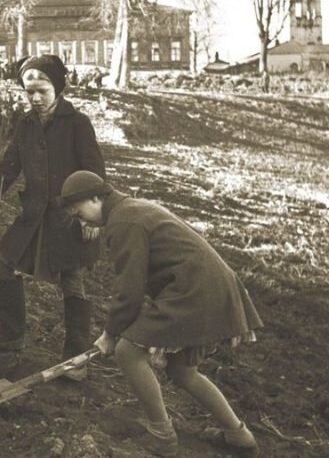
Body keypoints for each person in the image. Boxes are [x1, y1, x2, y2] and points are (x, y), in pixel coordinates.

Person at [59, 170, 263, 457]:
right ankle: (239, 436)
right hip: (209, 287)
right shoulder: (131, 209)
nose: (83, 222)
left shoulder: (124, 222)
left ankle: (162, 437)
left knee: (127, 351)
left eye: (81, 213)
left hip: (195, 290)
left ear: (96, 197)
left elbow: (129, 292)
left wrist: (109, 334)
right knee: (182, 370)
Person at [0, 55, 105, 377]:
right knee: (0, 264)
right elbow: (7, 168)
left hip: (71, 218)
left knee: (72, 282)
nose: (35, 99)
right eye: (29, 92)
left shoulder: (77, 123)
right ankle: (11, 333)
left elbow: (95, 171)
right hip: (34, 216)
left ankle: (76, 357)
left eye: (42, 91)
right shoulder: (25, 125)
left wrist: (91, 218)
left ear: (58, 89)